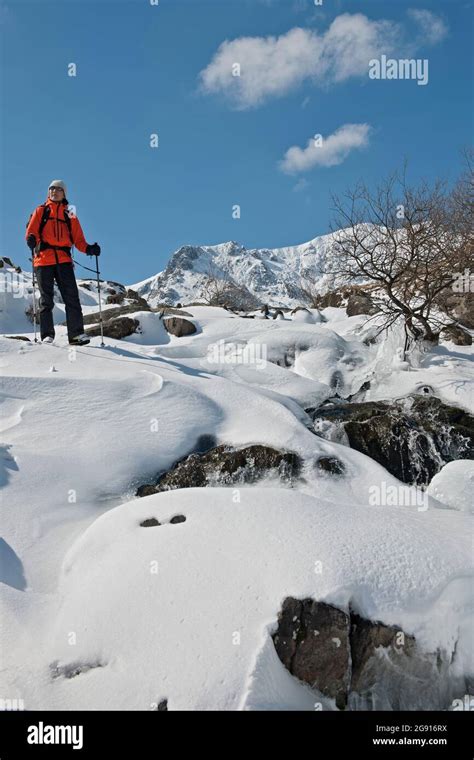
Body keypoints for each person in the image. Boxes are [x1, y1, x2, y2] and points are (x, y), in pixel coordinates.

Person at [25, 180, 101, 344]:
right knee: (46, 300)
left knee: (72, 298)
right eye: (52, 188)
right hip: (43, 260)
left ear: (64, 193)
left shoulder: (70, 213)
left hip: (64, 260)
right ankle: (47, 335)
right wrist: (31, 238)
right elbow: (31, 231)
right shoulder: (41, 210)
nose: (54, 191)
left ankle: (76, 335)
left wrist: (89, 249)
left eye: (58, 189)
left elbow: (78, 239)